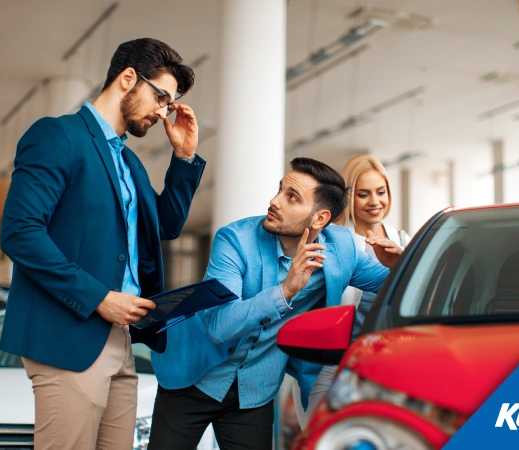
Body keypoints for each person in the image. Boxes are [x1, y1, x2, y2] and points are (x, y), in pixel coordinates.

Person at [0, 38, 205, 450]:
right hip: (68, 334)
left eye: (169, 103)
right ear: (128, 78)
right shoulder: (58, 136)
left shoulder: (129, 162)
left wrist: (183, 157)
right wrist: (98, 298)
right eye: (160, 97)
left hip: (120, 339)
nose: (163, 112)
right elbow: (20, 232)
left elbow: (163, 226)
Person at [148, 157, 402, 450]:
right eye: (280, 190)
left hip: (256, 388)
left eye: (291, 197)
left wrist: (399, 263)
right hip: (193, 376)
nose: (275, 201)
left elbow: (395, 287)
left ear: (320, 219)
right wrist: (284, 292)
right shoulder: (235, 240)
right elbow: (219, 325)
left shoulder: (342, 248)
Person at [291, 154, 411, 428]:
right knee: (322, 435)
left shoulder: (403, 241)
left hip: (384, 364)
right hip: (332, 361)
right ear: (349, 198)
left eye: (380, 192)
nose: (374, 202)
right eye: (363, 194)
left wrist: (401, 261)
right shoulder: (332, 240)